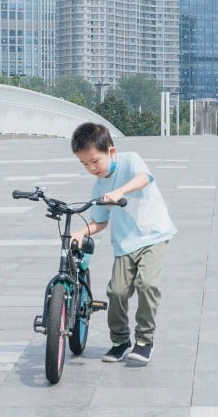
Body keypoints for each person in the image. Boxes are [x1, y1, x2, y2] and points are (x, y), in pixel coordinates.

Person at [69, 122, 177, 364]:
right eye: (85, 164)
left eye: (95, 161)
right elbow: (100, 222)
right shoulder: (98, 186)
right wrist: (81, 231)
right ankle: (120, 341)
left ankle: (144, 340)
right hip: (125, 243)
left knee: (147, 284)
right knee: (117, 292)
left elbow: (143, 179)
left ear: (111, 151)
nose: (91, 168)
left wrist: (120, 192)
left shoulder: (130, 160)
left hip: (153, 235)